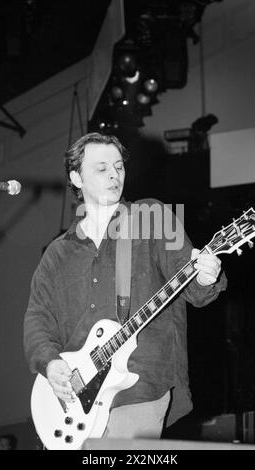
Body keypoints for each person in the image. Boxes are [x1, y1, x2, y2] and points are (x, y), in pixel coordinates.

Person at [24, 132, 227, 441]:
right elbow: (38, 319)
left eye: (118, 166)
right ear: (76, 177)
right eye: (101, 167)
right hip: (73, 402)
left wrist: (204, 276)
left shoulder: (153, 217)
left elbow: (194, 289)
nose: (114, 174)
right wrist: (50, 364)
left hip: (139, 385)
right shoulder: (57, 254)